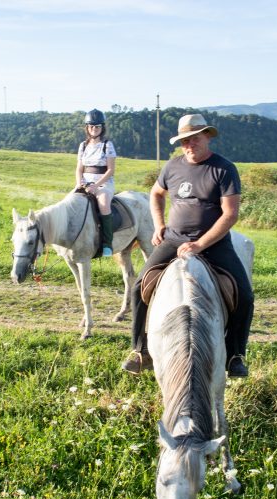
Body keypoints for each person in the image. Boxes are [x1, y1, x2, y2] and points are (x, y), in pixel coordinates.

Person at [121, 114, 254, 378]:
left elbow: (230, 214)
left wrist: (200, 244)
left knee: (245, 295)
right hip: (173, 239)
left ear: (207, 137)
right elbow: (156, 193)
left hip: (213, 243)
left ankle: (235, 355)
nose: (189, 145)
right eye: (184, 141)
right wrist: (159, 225)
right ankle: (140, 350)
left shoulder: (224, 169)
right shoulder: (172, 166)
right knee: (138, 287)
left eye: (194, 138)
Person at [75, 109, 117, 257]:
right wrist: (79, 183)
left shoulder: (107, 145)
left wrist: (95, 185)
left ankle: (107, 244)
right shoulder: (83, 145)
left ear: (102, 127)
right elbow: (79, 168)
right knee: (70, 202)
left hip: (103, 182)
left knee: (104, 204)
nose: (94, 129)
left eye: (97, 126)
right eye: (91, 126)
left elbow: (110, 170)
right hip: (85, 182)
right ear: (87, 127)